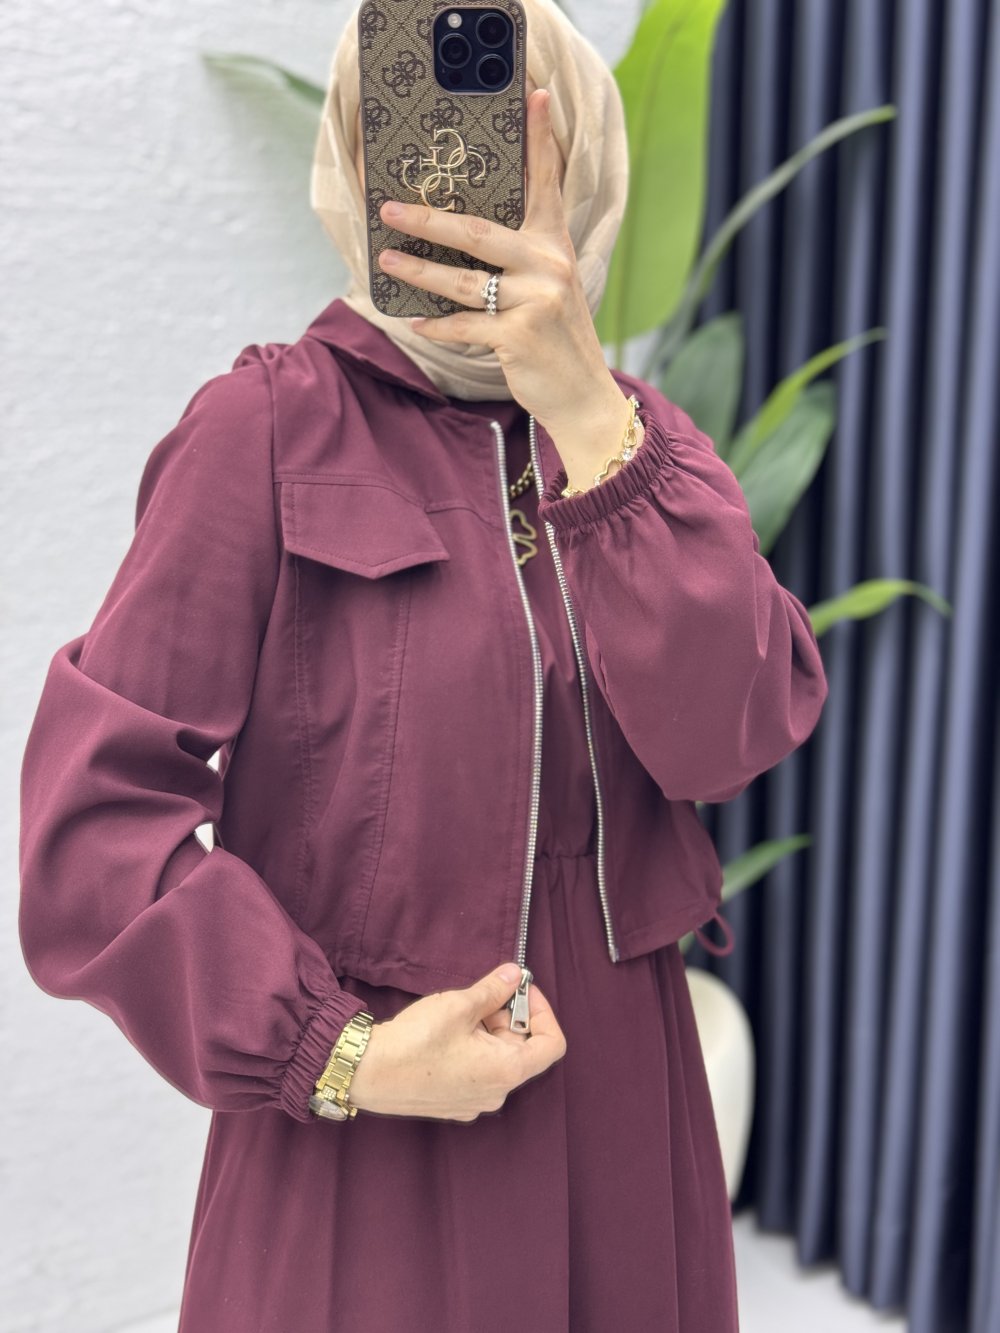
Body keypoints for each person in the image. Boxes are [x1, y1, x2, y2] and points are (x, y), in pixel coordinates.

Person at [18, 1, 829, 1329]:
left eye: (518, 137)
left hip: (623, 1112)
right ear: (364, 155)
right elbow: (91, 826)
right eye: (429, 133)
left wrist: (590, 421)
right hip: (365, 1138)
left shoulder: (645, 451)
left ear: (579, 160)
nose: (469, 178)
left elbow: (734, 737)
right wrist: (340, 1052)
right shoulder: (264, 432)